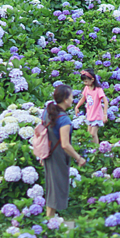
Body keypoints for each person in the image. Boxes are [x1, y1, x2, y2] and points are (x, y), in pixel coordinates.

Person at [43, 84, 86, 218]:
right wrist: (78, 158)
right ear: (65, 99)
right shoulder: (64, 120)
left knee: (51, 188)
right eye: (71, 96)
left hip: (47, 154)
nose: (73, 99)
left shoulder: (47, 112)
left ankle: (49, 220)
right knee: (56, 189)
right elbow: (65, 145)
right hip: (57, 157)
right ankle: (49, 224)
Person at [74, 69, 108, 144]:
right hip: (90, 114)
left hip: (97, 115)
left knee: (93, 134)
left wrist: (105, 114)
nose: (84, 83)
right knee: (88, 134)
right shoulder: (86, 88)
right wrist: (77, 107)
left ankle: (97, 148)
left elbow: (105, 101)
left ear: (92, 79)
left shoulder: (98, 89)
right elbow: (83, 98)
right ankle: (91, 148)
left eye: (86, 81)